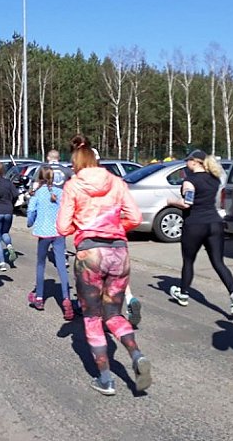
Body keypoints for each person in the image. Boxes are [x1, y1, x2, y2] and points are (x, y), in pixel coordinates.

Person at [56, 134, 149, 396]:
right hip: (119, 252)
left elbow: (62, 227)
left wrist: (82, 228)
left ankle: (106, 379)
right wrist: (115, 228)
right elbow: (135, 217)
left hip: (90, 254)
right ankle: (136, 354)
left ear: (76, 162)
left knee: (93, 317)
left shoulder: (73, 186)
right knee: (114, 315)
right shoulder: (117, 182)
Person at [166, 149, 233, 317]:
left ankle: (183, 294)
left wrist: (170, 201)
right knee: (218, 262)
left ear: (195, 162)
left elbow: (187, 203)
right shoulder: (214, 179)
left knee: (188, 261)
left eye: (188, 160)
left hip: (194, 224)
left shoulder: (190, 181)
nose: (186, 163)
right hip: (215, 223)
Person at [27, 166, 73, 320]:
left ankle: (39, 297)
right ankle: (66, 298)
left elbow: (31, 211)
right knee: (61, 266)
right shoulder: (60, 193)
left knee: (41, 264)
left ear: (39, 177)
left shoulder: (37, 193)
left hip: (43, 233)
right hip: (58, 232)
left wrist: (30, 222)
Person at [0, 161, 18, 272]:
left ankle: (2, 263)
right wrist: (11, 204)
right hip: (8, 211)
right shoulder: (8, 182)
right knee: (5, 232)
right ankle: (9, 245)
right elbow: (16, 194)